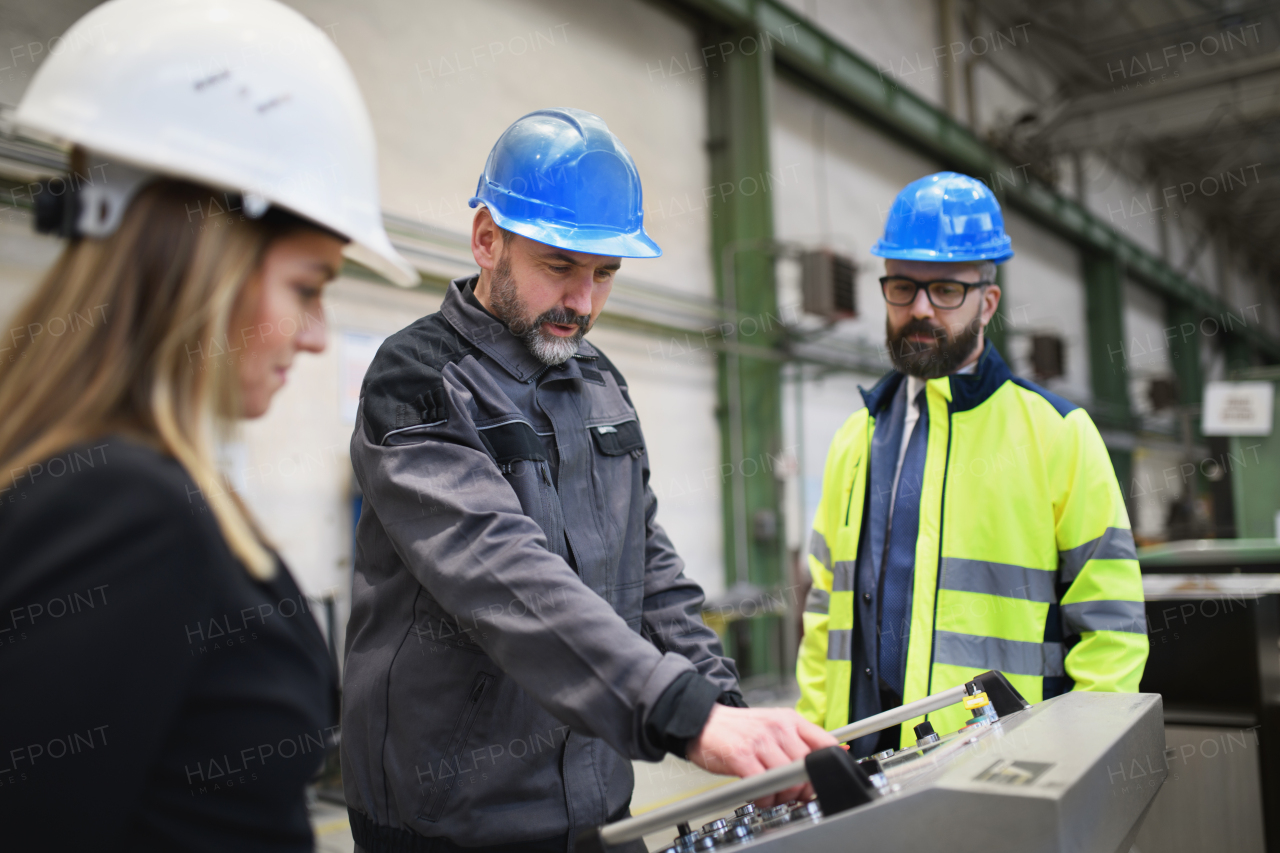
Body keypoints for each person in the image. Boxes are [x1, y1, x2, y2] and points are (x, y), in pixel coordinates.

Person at [343, 108, 835, 853]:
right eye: (560, 266)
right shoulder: (415, 379)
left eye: (605, 274)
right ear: (487, 240)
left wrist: (734, 712)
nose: (584, 302)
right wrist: (683, 714)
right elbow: (504, 576)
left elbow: (652, 573)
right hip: (450, 818)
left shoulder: (598, 379)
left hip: (596, 808)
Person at [0, 0, 415, 850]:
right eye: (307, 286)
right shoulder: (122, 507)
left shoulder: (121, 484)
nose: (316, 335)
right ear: (206, 261)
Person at [795, 172, 1147, 757]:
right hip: (857, 758)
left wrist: (1085, 761)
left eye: (947, 291)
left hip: (1003, 762)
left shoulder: (1057, 434)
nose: (921, 309)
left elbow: (1110, 623)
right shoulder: (855, 439)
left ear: (987, 301)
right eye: (903, 287)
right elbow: (820, 612)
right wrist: (809, 743)